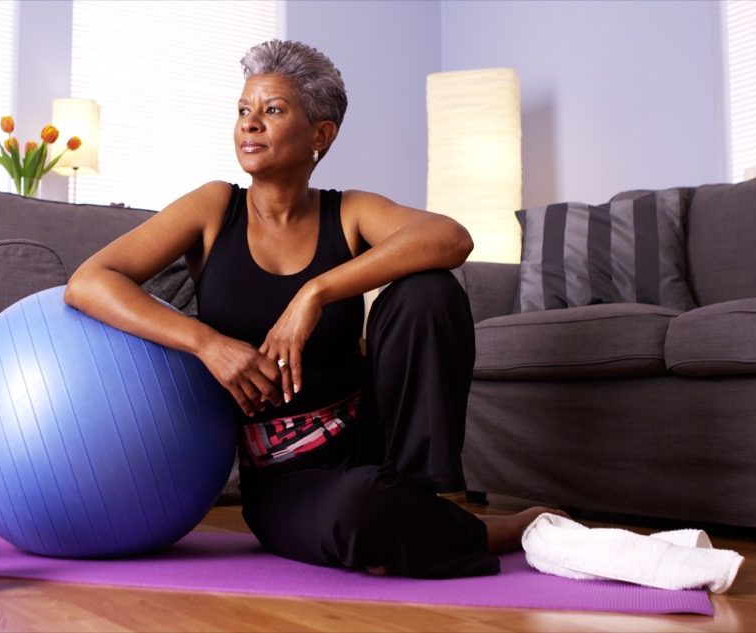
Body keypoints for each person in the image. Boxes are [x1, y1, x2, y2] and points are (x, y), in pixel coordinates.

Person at [65, 39, 552, 578]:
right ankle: (500, 529)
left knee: (427, 291)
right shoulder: (213, 207)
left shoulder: (349, 212)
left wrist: (314, 294)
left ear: (321, 134)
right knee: (360, 517)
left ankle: (436, 499)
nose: (250, 124)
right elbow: (90, 282)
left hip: (373, 436)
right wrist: (207, 343)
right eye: (244, 111)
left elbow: (451, 237)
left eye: (272, 110)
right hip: (286, 476)